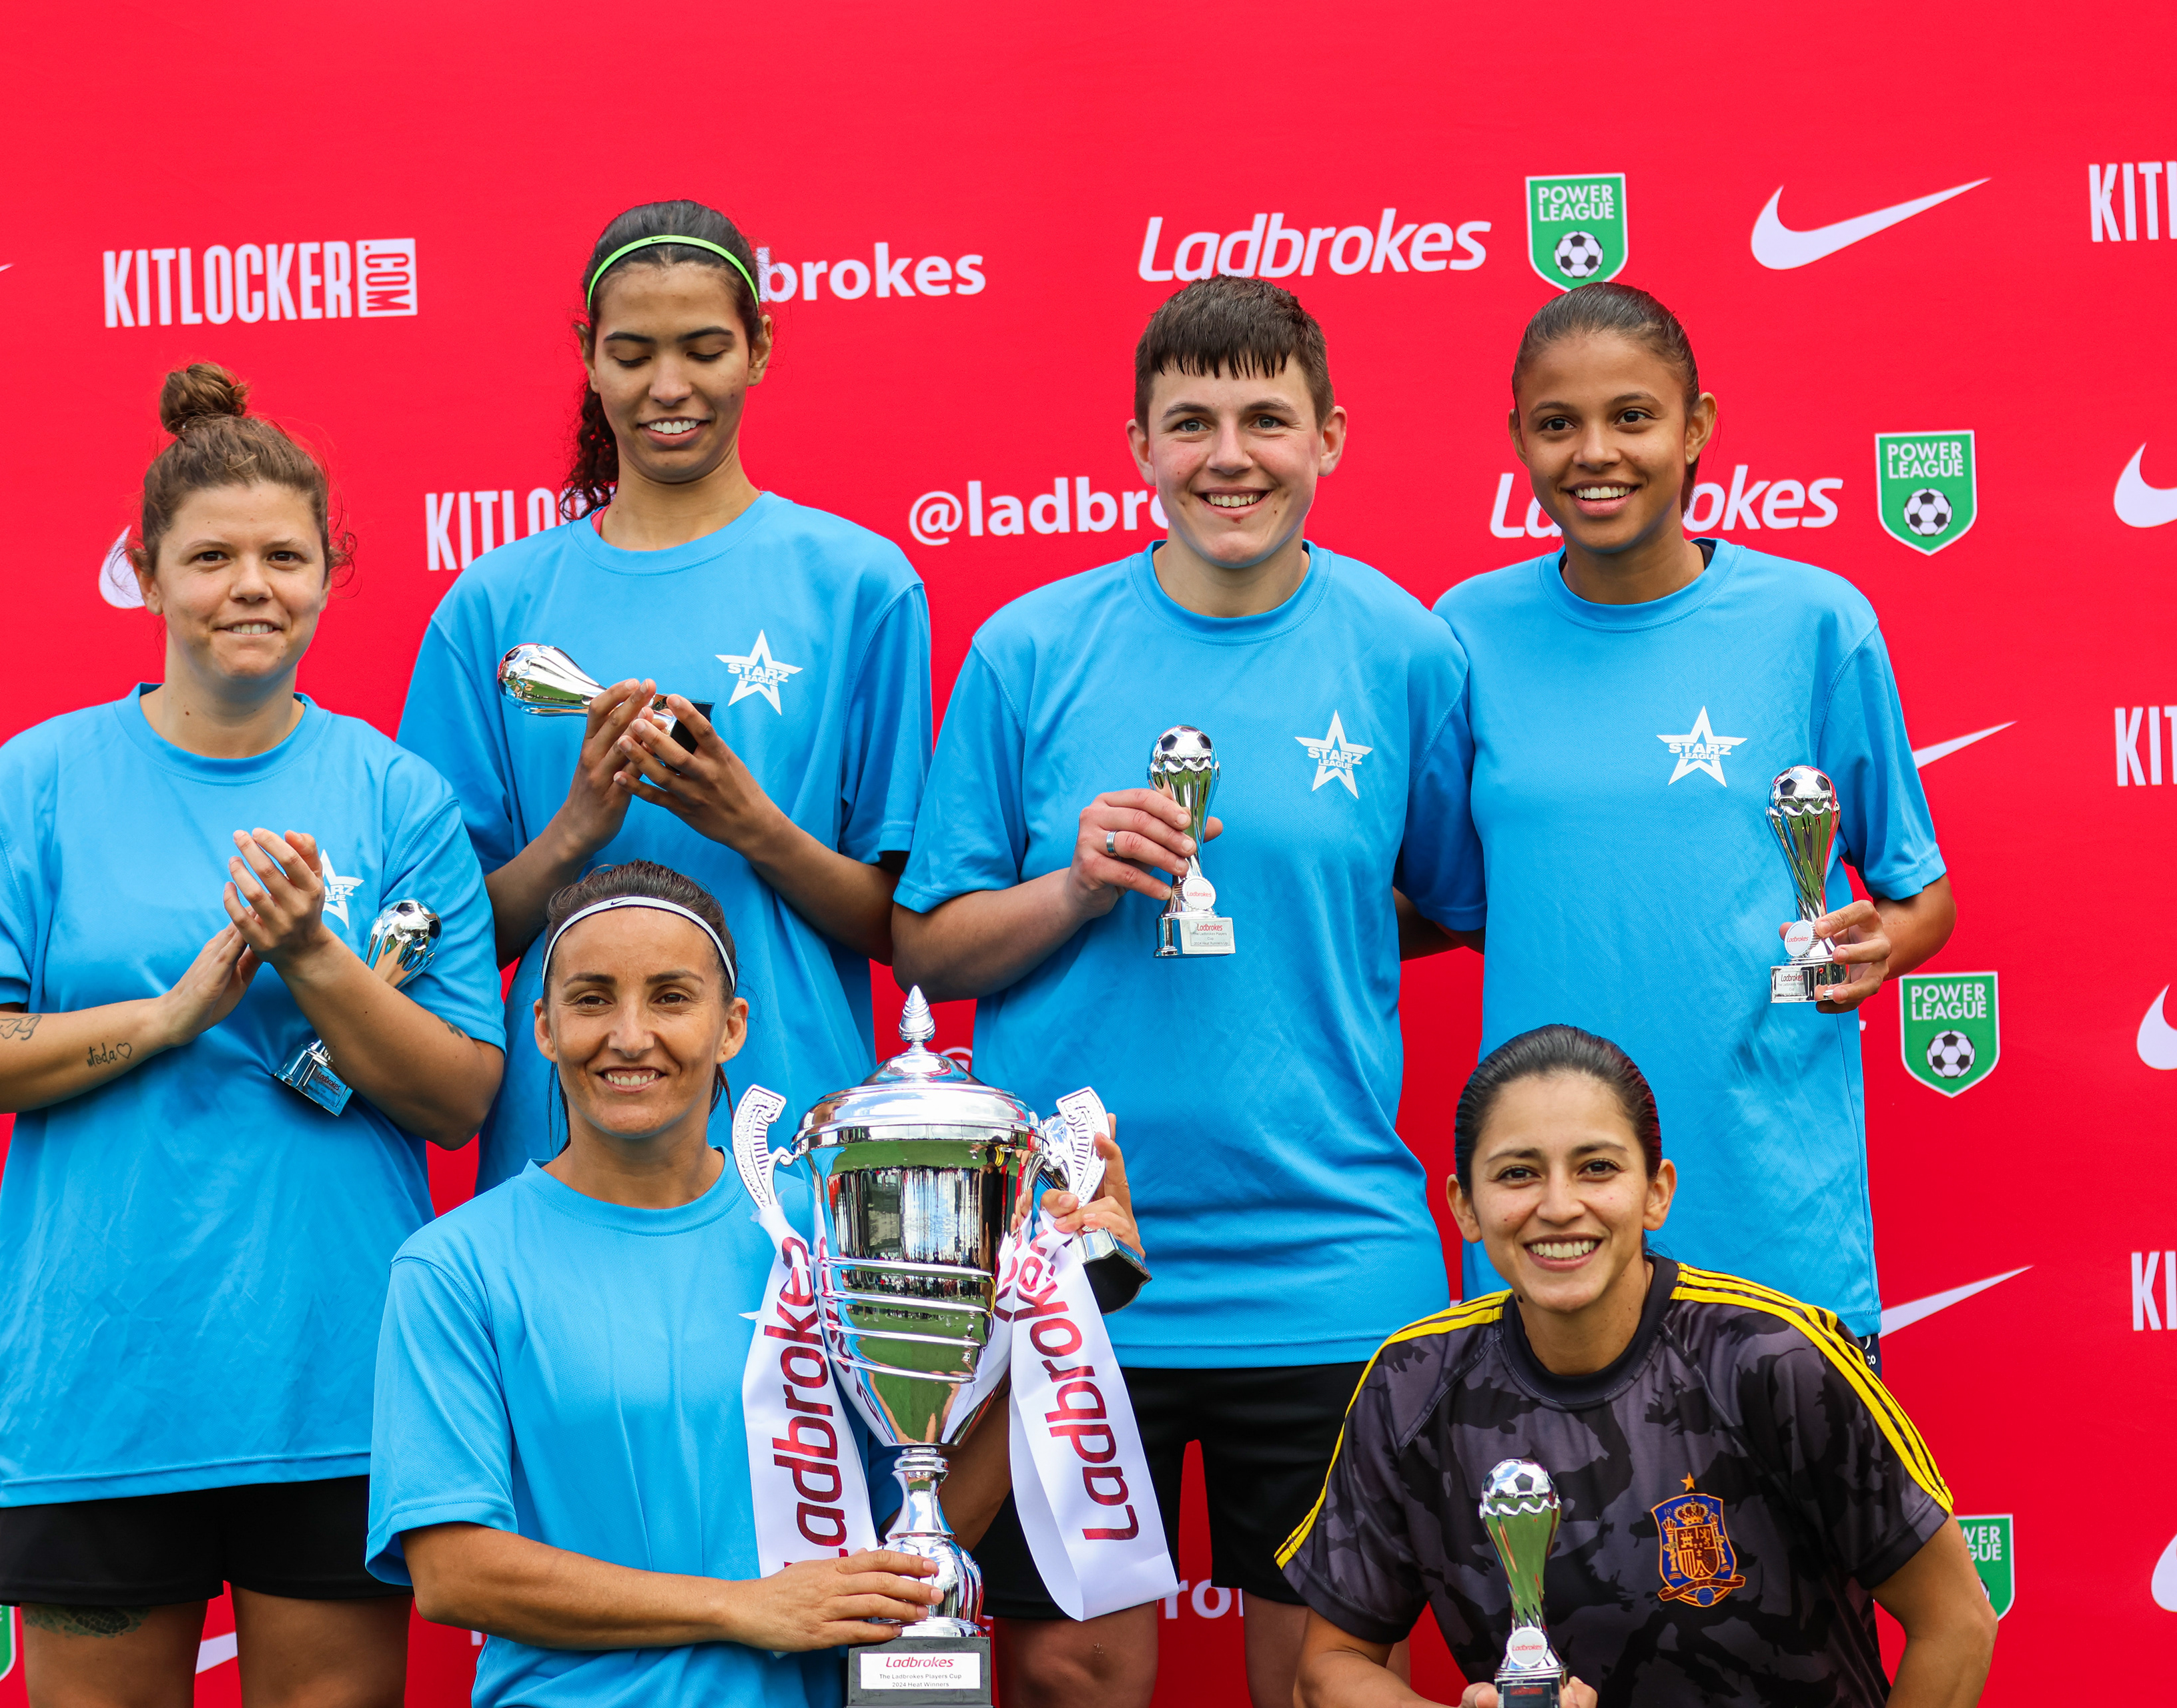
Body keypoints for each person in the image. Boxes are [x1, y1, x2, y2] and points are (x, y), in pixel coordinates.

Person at [891, 276, 1485, 1708]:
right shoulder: (1031, 649)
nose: (1231, 455)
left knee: (1328, 1685)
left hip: (1333, 1264)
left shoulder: (1407, 650)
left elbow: (1445, 901)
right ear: (1139, 447)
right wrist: (1076, 888)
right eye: (1193, 422)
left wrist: (1295, 928)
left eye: (1267, 419)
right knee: (1072, 1677)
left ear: (1330, 436)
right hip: (1076, 1266)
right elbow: (928, 946)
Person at [0, 364, 507, 1708]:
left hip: (332, 1381)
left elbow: (461, 1094)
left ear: (331, 575)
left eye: (284, 556)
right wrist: (168, 1018)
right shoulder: (41, 782)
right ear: (146, 572)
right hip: (104, 1377)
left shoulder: (398, 793)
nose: (250, 587)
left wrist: (313, 957)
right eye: (212, 557)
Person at [365, 859, 1144, 1707]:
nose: (630, 1035)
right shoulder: (454, 1266)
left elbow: (919, 1525)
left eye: (671, 997)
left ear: (732, 1025)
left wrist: (1058, 1311)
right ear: (544, 1028)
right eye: (592, 999)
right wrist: (741, 1608)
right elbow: (455, 1572)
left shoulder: (828, 1235)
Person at [1434, 284, 1955, 1358]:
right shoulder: (1465, 632)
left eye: (1632, 416)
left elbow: (1924, 900)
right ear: (1519, 439)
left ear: (1696, 427)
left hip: (1775, 1219)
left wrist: (1878, 945)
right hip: (1555, 1233)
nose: (1596, 453)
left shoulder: (1817, 623)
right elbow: (1445, 899)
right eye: (1558, 423)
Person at [398, 197, 933, 1195]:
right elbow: (437, 943)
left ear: (759, 348)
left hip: (795, 1151)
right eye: (633, 354)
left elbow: (908, 935)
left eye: (704, 349)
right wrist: (576, 831)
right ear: (588, 356)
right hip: (558, 1150)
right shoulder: (493, 605)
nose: (669, 387)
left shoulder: (860, 585)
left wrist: (750, 824)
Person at [1283, 1024, 1996, 1708]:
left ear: (1657, 1190)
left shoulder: (1776, 1357)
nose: (1559, 1206)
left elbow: (1957, 1621)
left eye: (1597, 1167)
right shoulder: (1411, 1384)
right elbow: (1329, 1667)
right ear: (1464, 1206)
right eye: (1518, 1174)